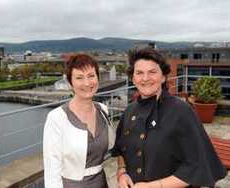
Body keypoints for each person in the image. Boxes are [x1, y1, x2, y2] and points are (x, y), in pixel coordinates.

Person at [112, 48, 227, 188]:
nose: (145, 78)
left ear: (163, 77)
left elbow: (197, 166)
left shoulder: (181, 111)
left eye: (152, 72)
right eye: (139, 73)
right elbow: (120, 150)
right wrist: (121, 172)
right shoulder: (129, 111)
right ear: (133, 78)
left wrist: (155, 186)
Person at [43, 54, 115, 188]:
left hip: (101, 182)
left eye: (91, 76)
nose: (87, 83)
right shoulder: (57, 118)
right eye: (79, 78)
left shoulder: (103, 110)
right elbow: (52, 170)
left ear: (98, 78)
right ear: (70, 83)